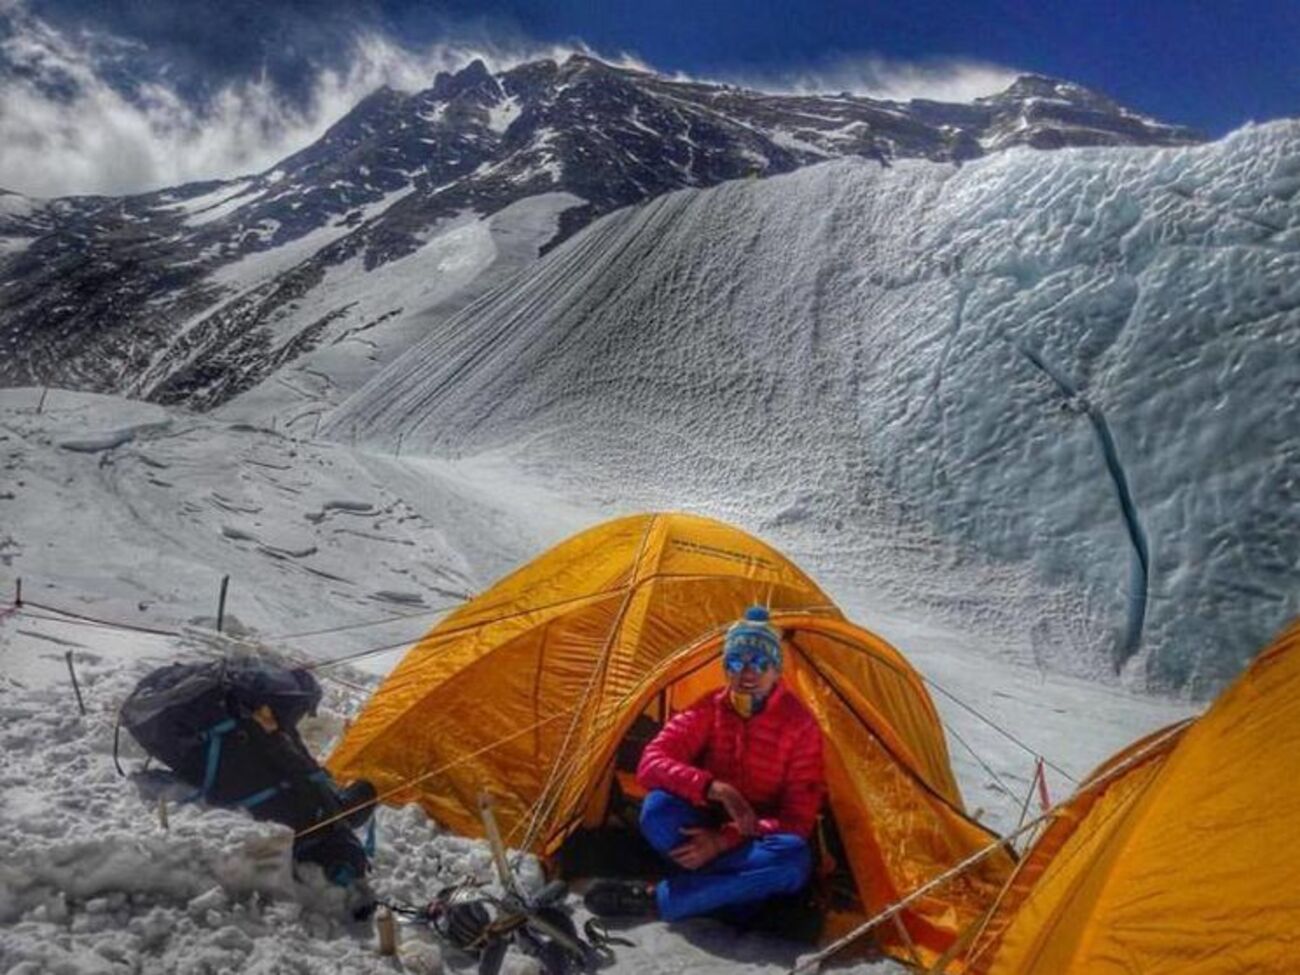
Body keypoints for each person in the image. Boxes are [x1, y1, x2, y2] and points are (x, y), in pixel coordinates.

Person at [584, 606, 826, 922]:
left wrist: (723, 840)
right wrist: (717, 789)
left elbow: (798, 820)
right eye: (736, 663)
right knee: (658, 810)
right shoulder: (711, 708)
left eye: (760, 663)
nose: (747, 673)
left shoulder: (801, 726)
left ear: (777, 670)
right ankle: (730, 893)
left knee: (792, 860)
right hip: (705, 823)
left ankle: (658, 900)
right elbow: (651, 762)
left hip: (756, 840)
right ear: (726, 668)